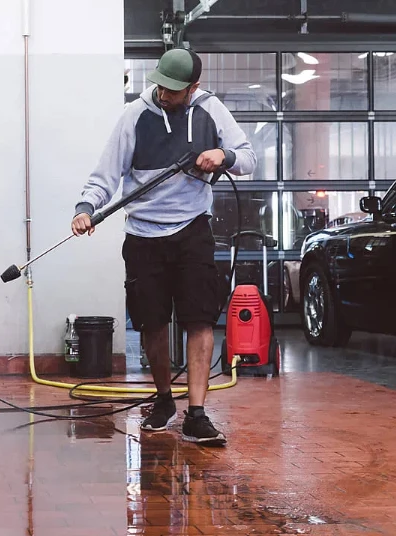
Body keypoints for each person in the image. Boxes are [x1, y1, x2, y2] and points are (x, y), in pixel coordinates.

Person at [71, 48, 257, 445]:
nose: (165, 95)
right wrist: (86, 207)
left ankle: (197, 414)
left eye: (175, 90)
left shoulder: (210, 110)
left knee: (199, 320)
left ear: (194, 87)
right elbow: (106, 174)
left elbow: (248, 158)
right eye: (161, 86)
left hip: (192, 230)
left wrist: (221, 155)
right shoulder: (135, 116)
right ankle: (162, 400)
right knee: (151, 322)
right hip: (143, 235)